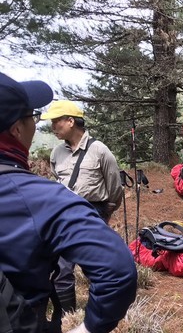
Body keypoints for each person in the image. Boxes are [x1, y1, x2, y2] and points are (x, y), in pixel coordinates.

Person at [0, 72, 137, 333]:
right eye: (34, 116)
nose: (42, 124)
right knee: (60, 275)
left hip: (81, 219)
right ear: (17, 129)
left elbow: (113, 186)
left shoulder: (98, 153)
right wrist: (90, 331)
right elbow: (117, 269)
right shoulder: (40, 196)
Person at [40, 100, 123, 314]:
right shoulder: (57, 153)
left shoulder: (99, 150)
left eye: (56, 121)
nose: (53, 127)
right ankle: (68, 317)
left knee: (96, 268)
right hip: (63, 216)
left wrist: (105, 213)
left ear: (70, 121)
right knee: (62, 269)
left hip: (92, 213)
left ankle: (102, 313)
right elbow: (57, 181)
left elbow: (115, 187)